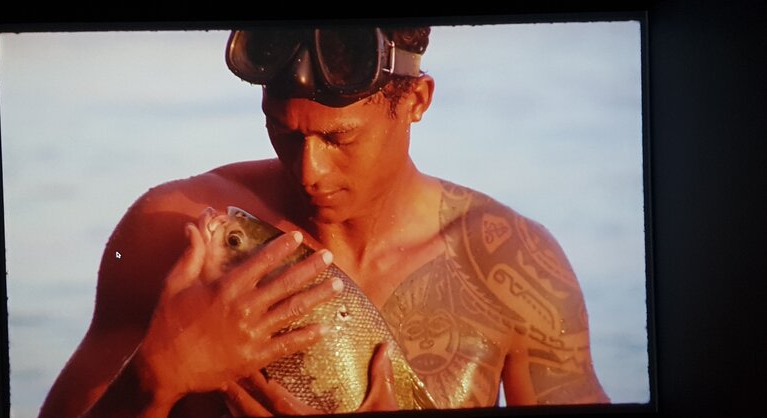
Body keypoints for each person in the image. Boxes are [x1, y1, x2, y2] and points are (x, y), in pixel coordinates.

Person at [38, 26, 609, 418]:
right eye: (285, 133)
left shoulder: (510, 265)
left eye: (339, 139)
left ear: (416, 100)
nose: (309, 170)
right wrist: (155, 377)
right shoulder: (174, 232)